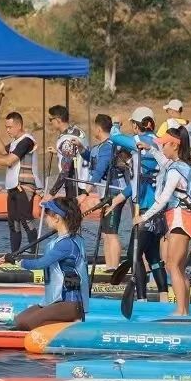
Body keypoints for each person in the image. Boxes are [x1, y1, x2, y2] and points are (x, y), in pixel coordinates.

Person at [137, 128, 191, 315]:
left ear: (174, 145)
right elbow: (165, 163)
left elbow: (163, 199)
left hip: (180, 219)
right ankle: (185, 310)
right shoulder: (182, 165)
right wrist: (151, 149)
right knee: (178, 267)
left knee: (173, 266)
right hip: (185, 219)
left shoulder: (175, 171)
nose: (162, 147)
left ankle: (180, 311)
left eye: (164, 144)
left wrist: (144, 217)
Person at [110, 107, 167, 299]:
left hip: (144, 210)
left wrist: (116, 123)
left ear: (136, 125)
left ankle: (142, 299)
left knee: (133, 256)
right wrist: (119, 198)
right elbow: (138, 181)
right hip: (158, 210)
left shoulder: (139, 142)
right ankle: (163, 298)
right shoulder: (160, 143)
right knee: (153, 257)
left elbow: (114, 136)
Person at [9, 196, 90, 331]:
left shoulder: (66, 244)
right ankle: (56, 326)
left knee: (25, 325)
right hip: (56, 301)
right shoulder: (60, 240)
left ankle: (67, 328)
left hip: (69, 304)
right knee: (19, 320)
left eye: (47, 214)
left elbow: (40, 263)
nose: (45, 217)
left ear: (57, 218)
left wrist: (17, 261)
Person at [0, 111, 40, 253]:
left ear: (19, 125)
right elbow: (3, 151)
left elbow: (9, 160)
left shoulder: (27, 141)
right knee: (13, 223)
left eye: (9, 127)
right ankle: (14, 254)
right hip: (13, 187)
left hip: (25, 186)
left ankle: (33, 252)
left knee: (25, 220)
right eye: (6, 127)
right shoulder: (16, 142)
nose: (7, 130)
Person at [86, 113, 127, 269]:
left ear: (98, 129)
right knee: (105, 233)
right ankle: (109, 266)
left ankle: (114, 268)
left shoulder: (108, 146)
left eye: (94, 129)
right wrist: (83, 150)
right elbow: (92, 159)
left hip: (115, 192)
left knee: (111, 232)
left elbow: (99, 170)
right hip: (106, 194)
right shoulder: (101, 147)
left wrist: (85, 192)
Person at [47, 105, 86, 197]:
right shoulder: (77, 131)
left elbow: (66, 168)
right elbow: (75, 154)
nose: (50, 122)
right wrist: (59, 152)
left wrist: (52, 192)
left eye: (50, 119)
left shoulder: (67, 139)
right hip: (83, 181)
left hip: (74, 183)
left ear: (58, 120)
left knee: (71, 211)